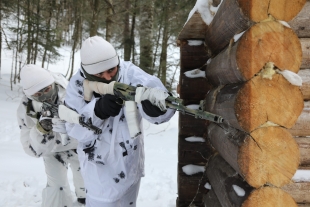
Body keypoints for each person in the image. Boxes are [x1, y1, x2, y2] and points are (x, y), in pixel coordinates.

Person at [64, 36, 175, 207]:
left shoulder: (129, 72)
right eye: (99, 74)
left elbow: (157, 92)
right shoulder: (77, 85)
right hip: (99, 172)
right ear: (87, 72)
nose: (108, 78)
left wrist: (159, 109)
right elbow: (72, 127)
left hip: (129, 166)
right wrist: (97, 111)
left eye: (112, 70)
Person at [16, 64, 86, 207]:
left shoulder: (73, 91)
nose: (45, 96)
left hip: (78, 146)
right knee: (56, 189)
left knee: (87, 185)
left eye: (47, 89)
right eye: (37, 94)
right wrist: (40, 131)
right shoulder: (26, 109)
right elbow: (31, 149)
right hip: (52, 150)